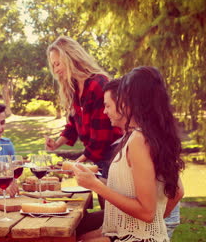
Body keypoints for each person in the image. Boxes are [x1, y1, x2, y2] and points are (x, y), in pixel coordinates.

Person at [73, 66, 184, 242]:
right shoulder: (147, 135)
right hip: (127, 235)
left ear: (133, 100)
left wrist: (96, 186)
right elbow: (178, 192)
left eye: (123, 96)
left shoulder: (139, 140)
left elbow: (147, 212)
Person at [44, 36, 122, 179]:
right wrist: (56, 144)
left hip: (114, 155)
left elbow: (101, 137)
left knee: (114, 199)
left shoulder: (98, 84)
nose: (55, 70)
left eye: (57, 64)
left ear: (70, 57)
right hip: (99, 157)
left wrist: (75, 164)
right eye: (53, 65)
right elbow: (73, 125)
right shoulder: (74, 88)